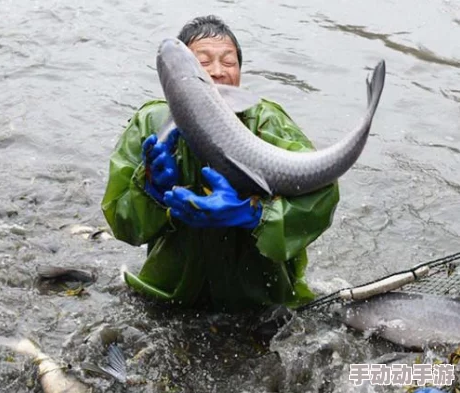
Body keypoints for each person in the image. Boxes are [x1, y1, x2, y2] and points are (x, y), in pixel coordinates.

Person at [100, 15, 340, 312]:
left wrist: (254, 215)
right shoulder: (151, 123)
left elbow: (322, 193)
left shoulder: (266, 122)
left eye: (228, 63)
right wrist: (150, 190)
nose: (217, 72)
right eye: (203, 62)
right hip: (171, 292)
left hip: (260, 298)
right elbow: (124, 225)